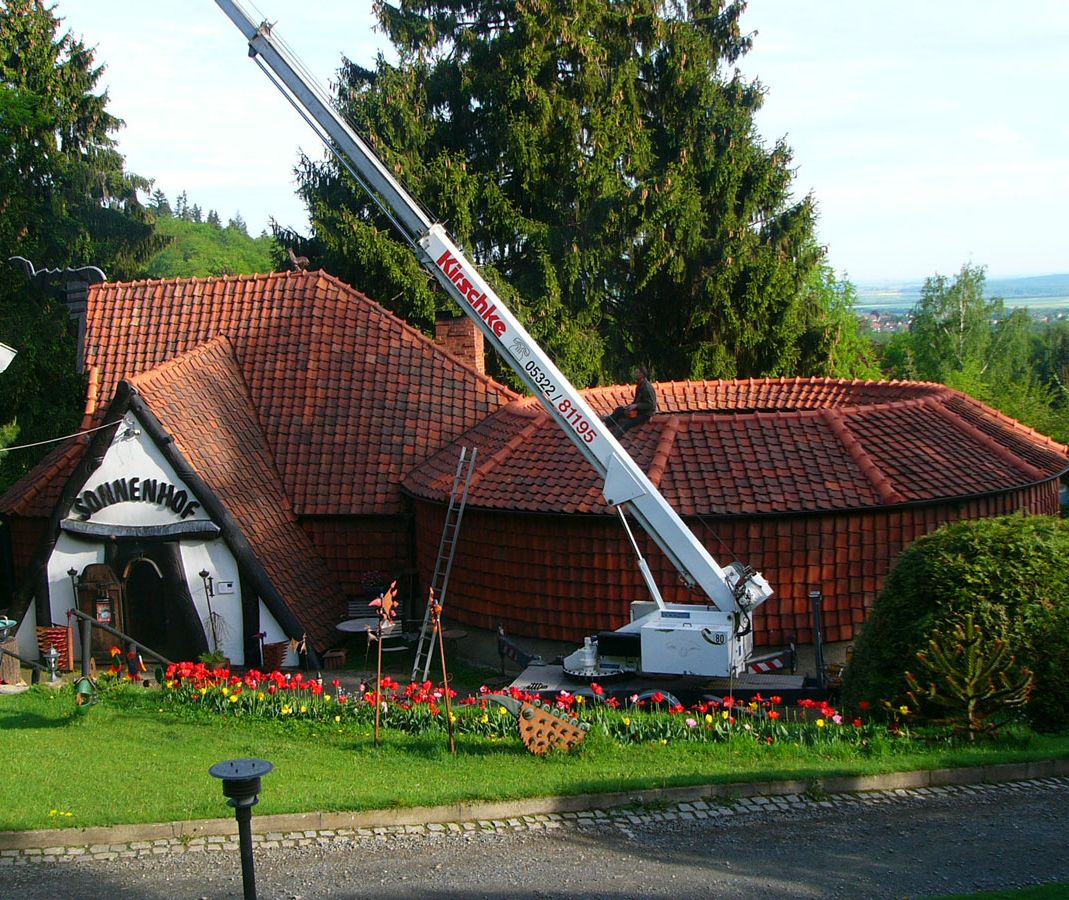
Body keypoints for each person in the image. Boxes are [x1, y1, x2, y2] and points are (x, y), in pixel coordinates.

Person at [604, 365, 657, 437]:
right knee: (619, 410)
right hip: (638, 410)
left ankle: (614, 437)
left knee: (627, 423)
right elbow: (636, 400)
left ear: (642, 374)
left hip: (645, 414)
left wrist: (637, 405)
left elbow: (651, 405)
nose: (635, 374)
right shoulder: (639, 385)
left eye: (637, 373)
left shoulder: (647, 388)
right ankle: (606, 423)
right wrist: (630, 407)